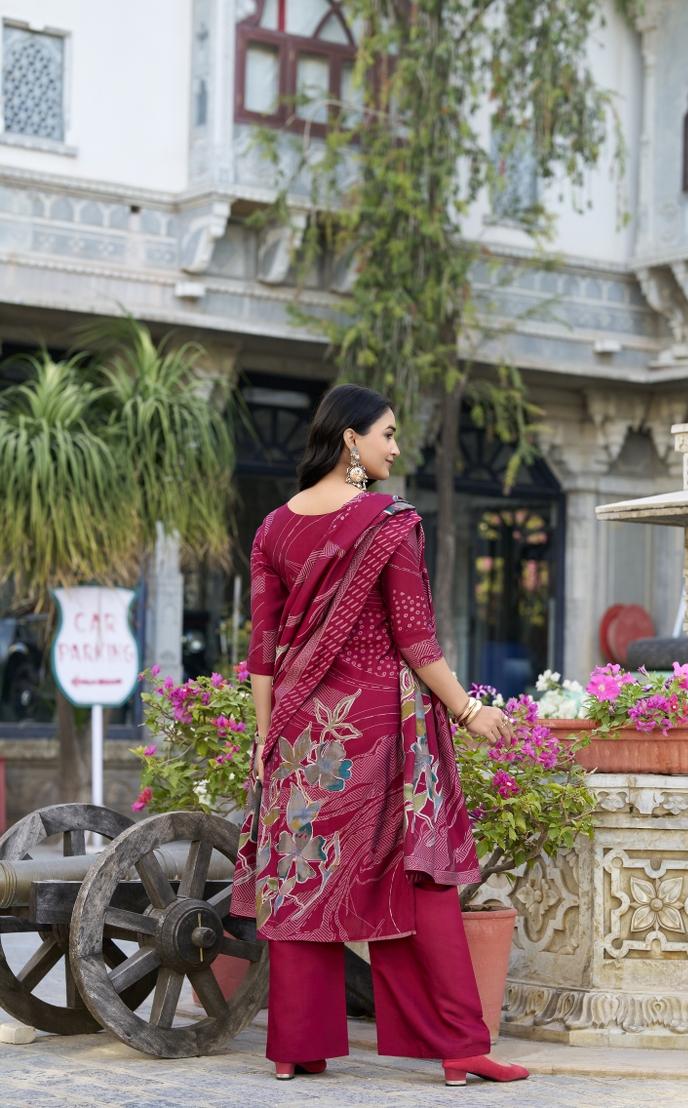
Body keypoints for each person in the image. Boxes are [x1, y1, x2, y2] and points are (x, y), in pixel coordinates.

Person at [230, 383, 529, 1087]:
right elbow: (418, 640)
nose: (395, 448)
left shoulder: (273, 526)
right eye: (387, 434)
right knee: (415, 878)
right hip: (378, 729)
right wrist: (468, 711)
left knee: (303, 877)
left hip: (303, 734)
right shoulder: (388, 523)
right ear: (350, 442)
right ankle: (459, 1047)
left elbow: (263, 652)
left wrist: (266, 738)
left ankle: (293, 1048)